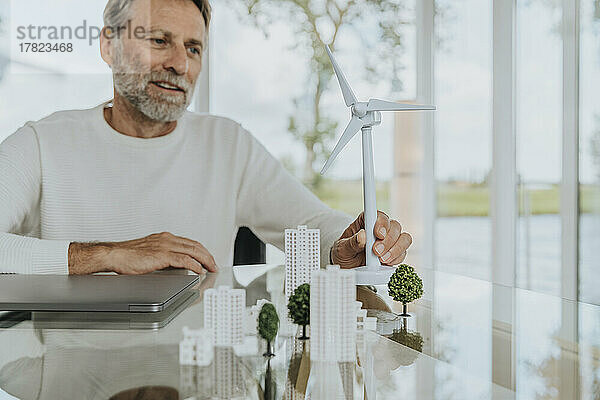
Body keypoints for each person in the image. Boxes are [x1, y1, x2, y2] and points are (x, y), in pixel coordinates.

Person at [0, 0, 412, 275]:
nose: (180, 63)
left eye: (194, 48)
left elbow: (310, 223)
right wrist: (105, 254)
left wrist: (349, 242)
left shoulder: (227, 145)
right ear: (110, 45)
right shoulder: (41, 144)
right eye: (160, 41)